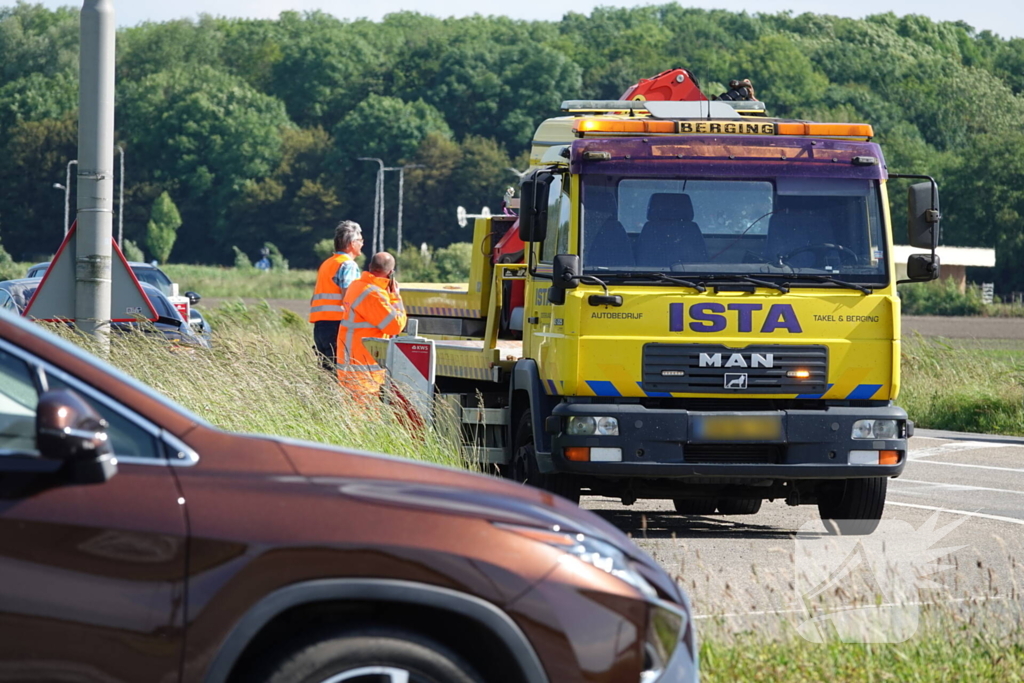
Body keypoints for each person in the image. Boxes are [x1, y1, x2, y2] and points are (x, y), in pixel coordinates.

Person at [336, 252, 407, 396]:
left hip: (350, 363)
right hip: (364, 368)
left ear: (370, 266)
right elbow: (395, 326)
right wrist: (395, 296)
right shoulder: (374, 294)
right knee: (364, 409)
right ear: (391, 273)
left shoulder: (356, 286)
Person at [309, 221, 364, 370]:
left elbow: (314, 299)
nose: (362, 243)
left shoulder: (326, 264)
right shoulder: (348, 265)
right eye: (360, 240)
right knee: (339, 372)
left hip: (320, 326)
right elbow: (349, 299)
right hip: (338, 326)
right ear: (352, 243)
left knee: (326, 372)